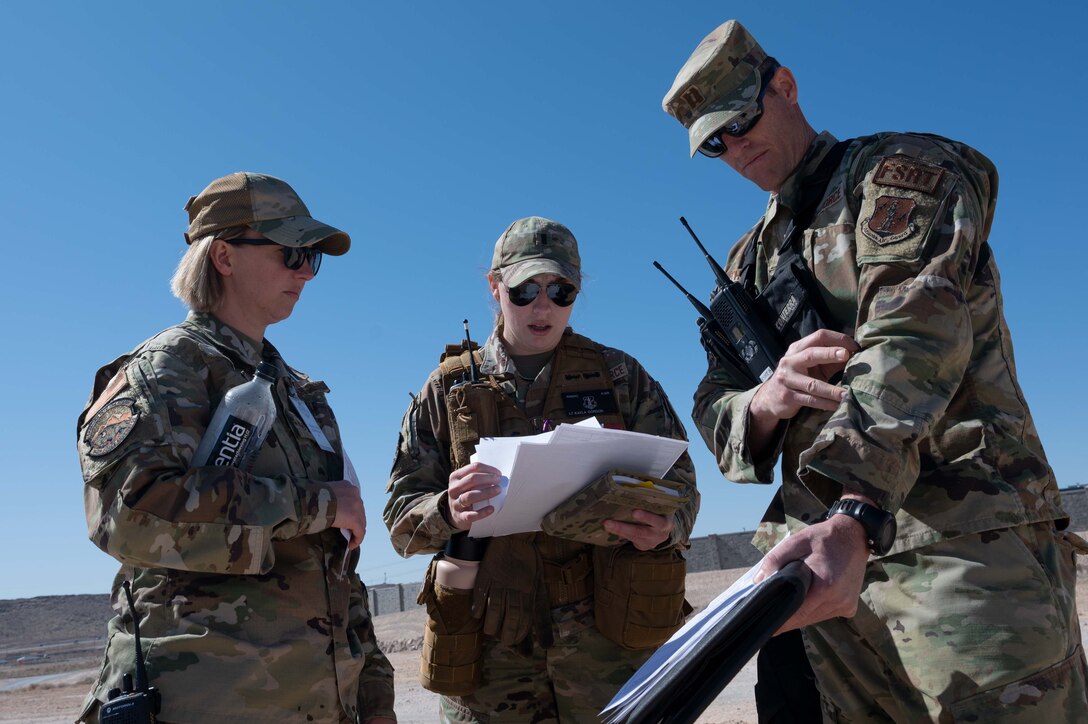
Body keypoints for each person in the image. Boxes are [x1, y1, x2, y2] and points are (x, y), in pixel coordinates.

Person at [661, 19, 1087, 722]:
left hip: (955, 557)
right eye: (714, 143)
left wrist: (855, 509)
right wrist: (762, 403)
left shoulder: (896, 177)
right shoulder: (746, 264)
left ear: (785, 87)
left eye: (739, 121)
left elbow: (913, 334)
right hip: (820, 588)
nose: (735, 149)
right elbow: (716, 402)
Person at [76, 172, 396, 723]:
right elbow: (128, 516)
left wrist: (374, 699)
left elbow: (337, 565)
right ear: (223, 256)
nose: (305, 272)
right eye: (291, 252)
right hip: (205, 701)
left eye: (311, 258)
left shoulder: (297, 393)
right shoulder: (169, 369)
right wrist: (315, 504)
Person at [384, 216, 699, 722]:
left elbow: (681, 484)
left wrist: (664, 529)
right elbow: (400, 518)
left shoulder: (620, 376)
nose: (543, 305)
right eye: (525, 289)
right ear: (495, 288)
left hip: (610, 638)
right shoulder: (447, 391)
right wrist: (448, 509)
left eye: (561, 290)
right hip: (492, 645)